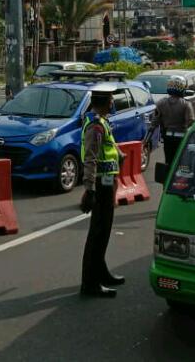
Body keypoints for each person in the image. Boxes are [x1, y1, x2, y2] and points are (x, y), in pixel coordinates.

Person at [78, 85, 126, 298]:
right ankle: (90, 284)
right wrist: (89, 190)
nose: (113, 103)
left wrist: (119, 154)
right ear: (104, 102)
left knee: (104, 231)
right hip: (100, 185)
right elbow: (91, 158)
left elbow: (109, 148)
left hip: (107, 183)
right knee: (97, 234)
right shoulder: (95, 126)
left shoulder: (103, 123)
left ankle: (101, 272)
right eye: (111, 100)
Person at [154, 76, 195, 166]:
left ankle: (168, 177)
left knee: (168, 161)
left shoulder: (161, 103)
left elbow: (155, 121)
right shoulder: (186, 104)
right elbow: (191, 121)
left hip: (167, 137)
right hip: (182, 138)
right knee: (182, 161)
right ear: (182, 88)